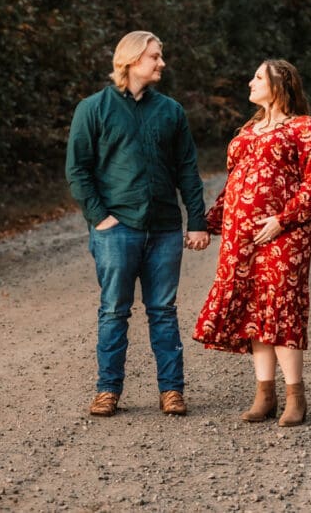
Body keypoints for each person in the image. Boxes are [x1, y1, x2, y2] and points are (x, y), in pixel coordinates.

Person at [66, 30, 210, 418]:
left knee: (163, 310)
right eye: (155, 57)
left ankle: (172, 391)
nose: (161, 63)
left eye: (160, 56)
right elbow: (77, 171)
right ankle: (107, 390)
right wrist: (101, 218)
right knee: (114, 310)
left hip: (164, 227)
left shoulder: (171, 111)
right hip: (117, 229)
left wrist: (197, 221)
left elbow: (187, 170)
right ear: (130, 61)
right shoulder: (93, 109)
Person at [193, 59, 311, 427]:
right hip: (242, 234)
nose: (250, 82)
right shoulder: (248, 129)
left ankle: (295, 396)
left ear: (279, 84)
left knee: (281, 306)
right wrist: (204, 224)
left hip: (285, 233)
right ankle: (264, 394)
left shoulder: (303, 128)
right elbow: (235, 182)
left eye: (257, 77)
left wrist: (281, 220)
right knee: (254, 309)